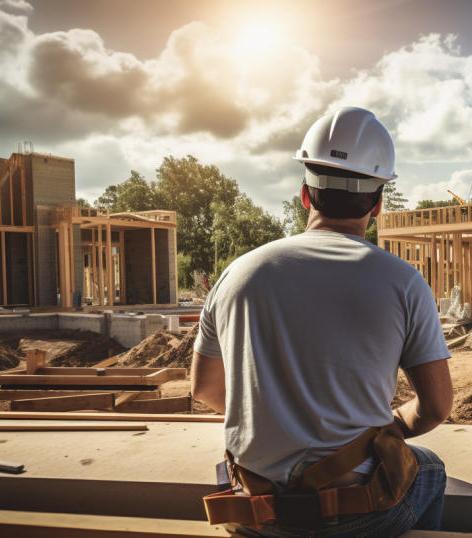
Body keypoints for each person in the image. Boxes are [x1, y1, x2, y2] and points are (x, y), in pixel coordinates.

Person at [191, 106, 453, 537]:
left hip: (254, 510)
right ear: (378, 202)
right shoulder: (403, 281)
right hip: (356, 513)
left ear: (305, 195)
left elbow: (204, 386)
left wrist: (277, 421)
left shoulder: (238, 273)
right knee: (429, 469)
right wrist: (387, 430)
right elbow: (436, 407)